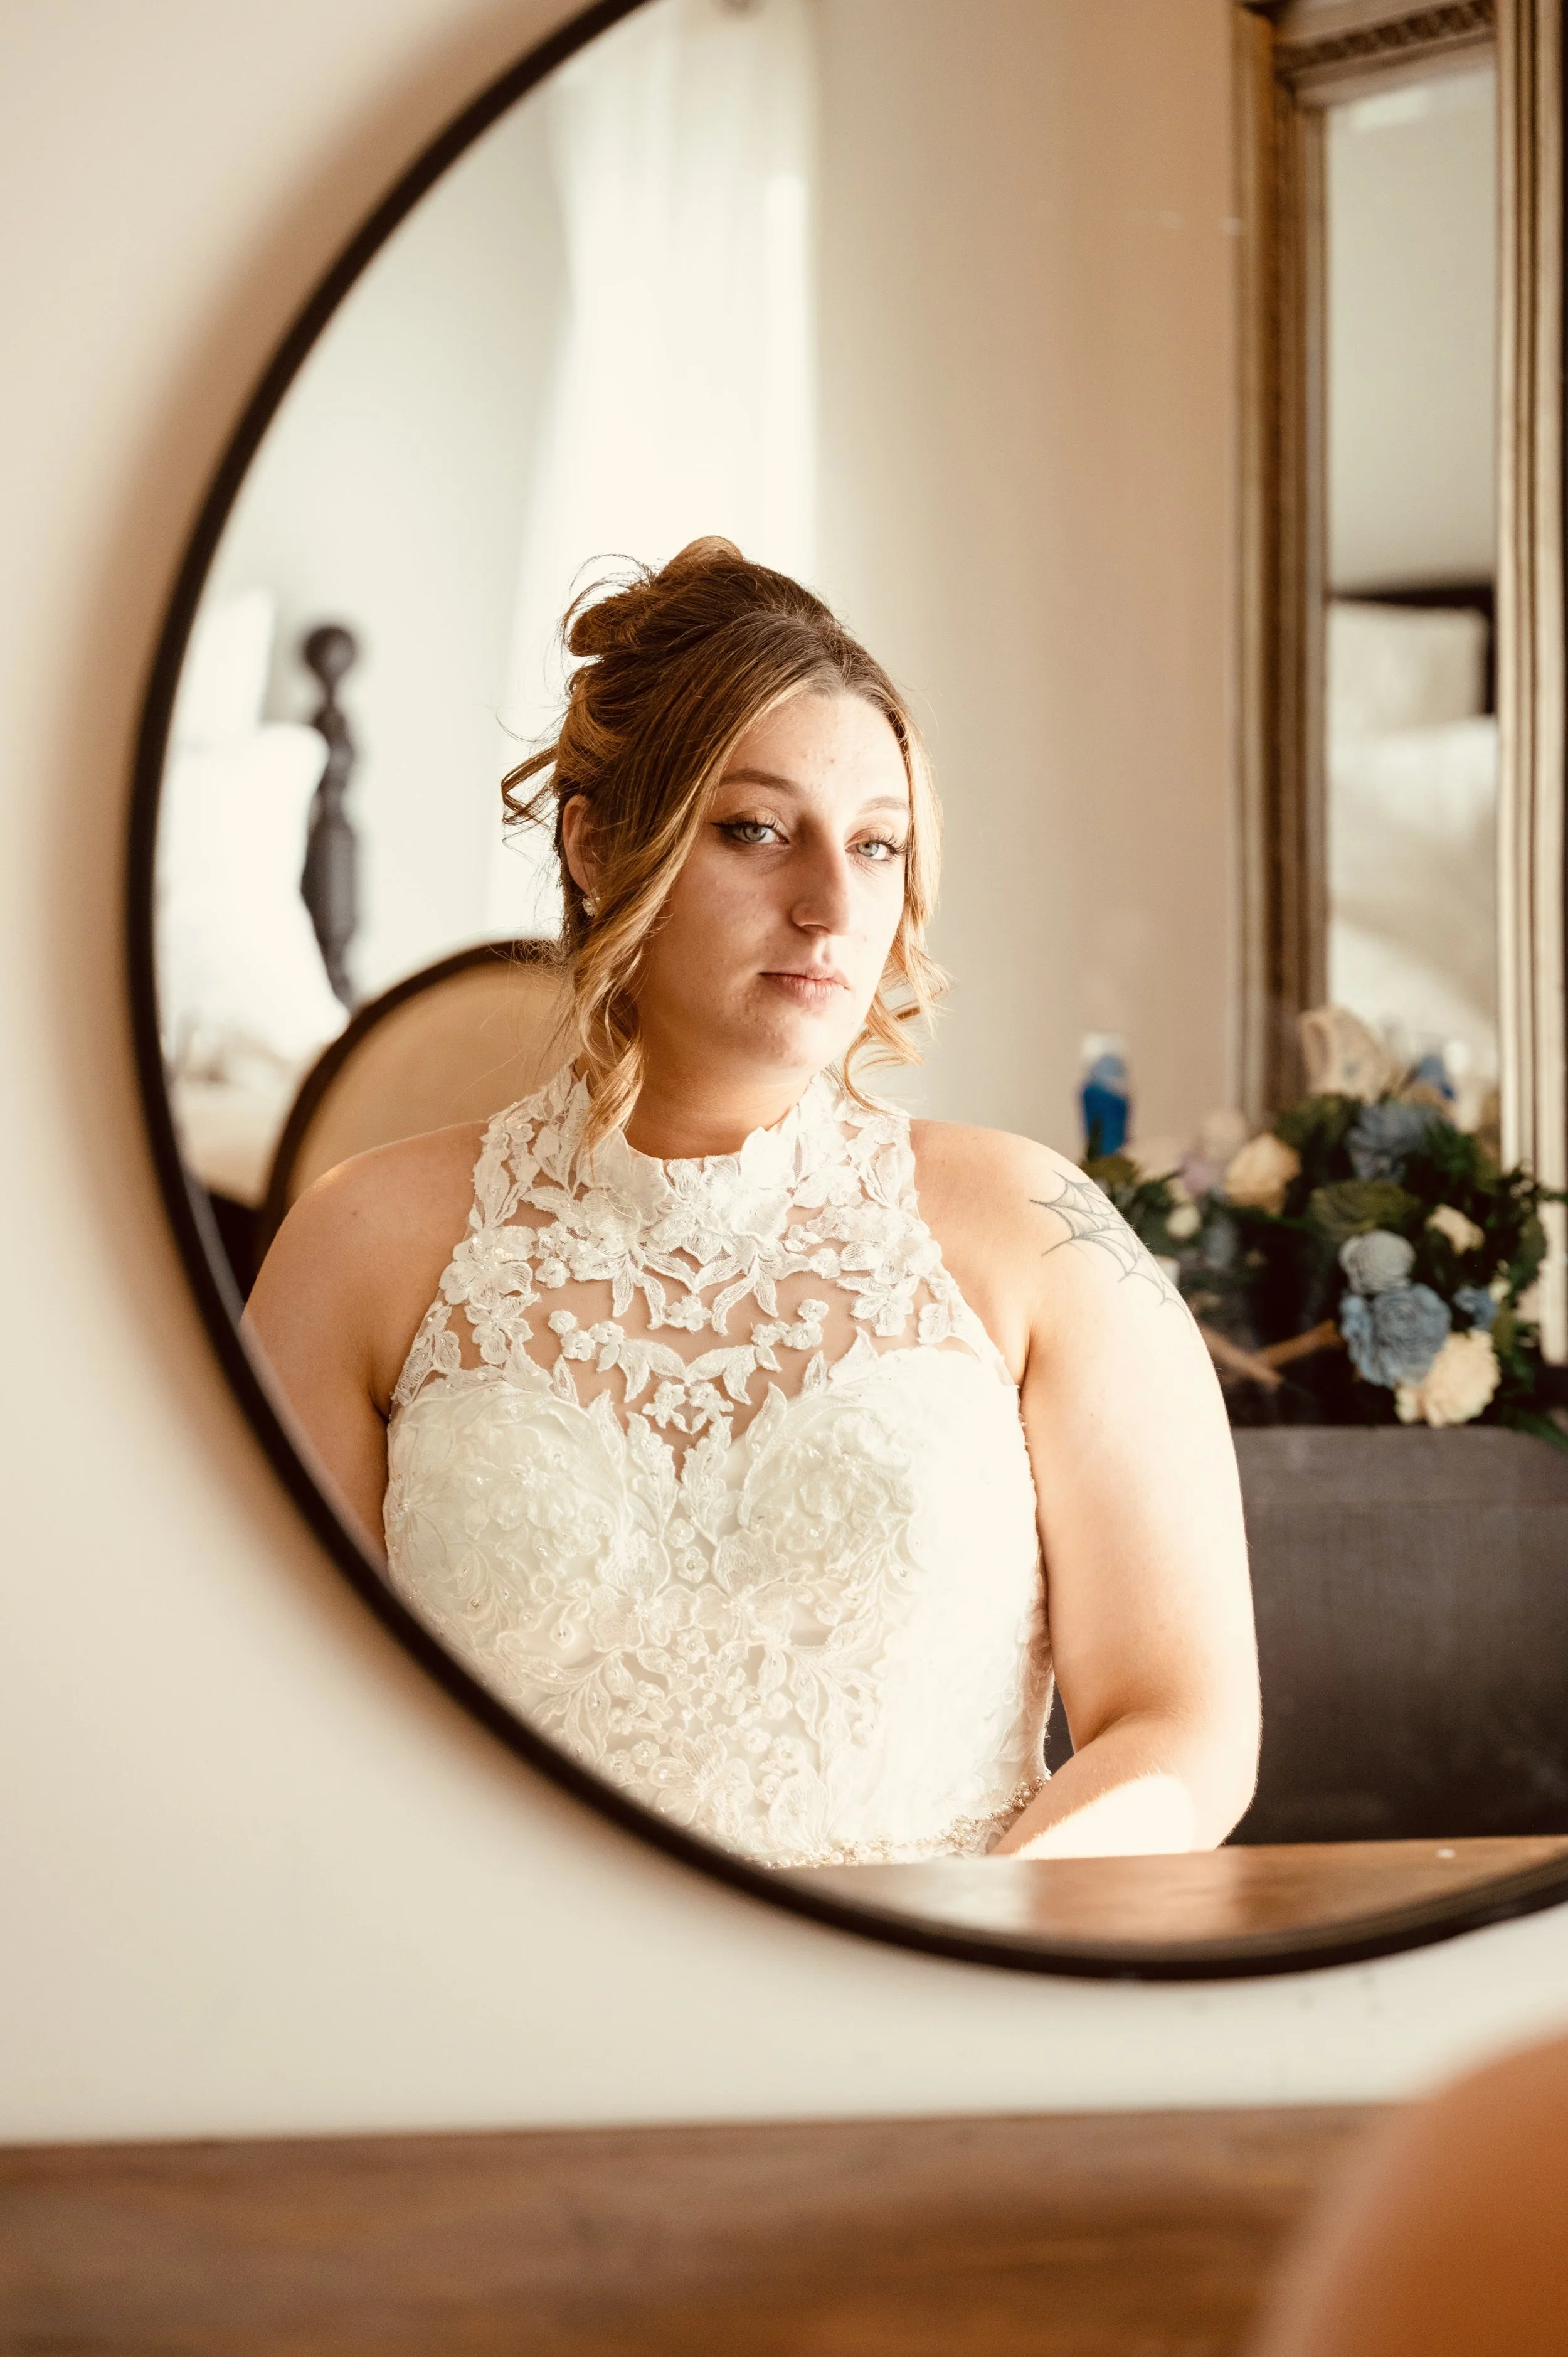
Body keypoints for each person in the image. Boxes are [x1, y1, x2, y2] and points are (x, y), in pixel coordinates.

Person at [246, 538, 1258, 1869]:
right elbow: (264, 1727)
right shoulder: (361, 1247)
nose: (833, 904)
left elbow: (1181, 1728)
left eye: (878, 844)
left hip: (937, 2027)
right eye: (756, 830)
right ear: (600, 846)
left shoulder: (1034, 1237)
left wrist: (962, 1955)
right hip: (503, 2037)